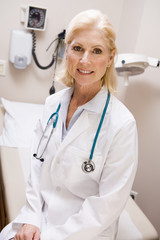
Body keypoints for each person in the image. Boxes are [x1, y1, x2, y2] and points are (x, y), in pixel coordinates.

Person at [0, 9, 138, 240]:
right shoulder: (52, 104)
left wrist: (50, 237)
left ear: (111, 57)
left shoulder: (122, 125)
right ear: (67, 50)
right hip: (40, 217)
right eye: (77, 48)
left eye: (97, 51)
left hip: (85, 232)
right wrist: (32, 218)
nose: (85, 60)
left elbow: (106, 206)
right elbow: (36, 164)